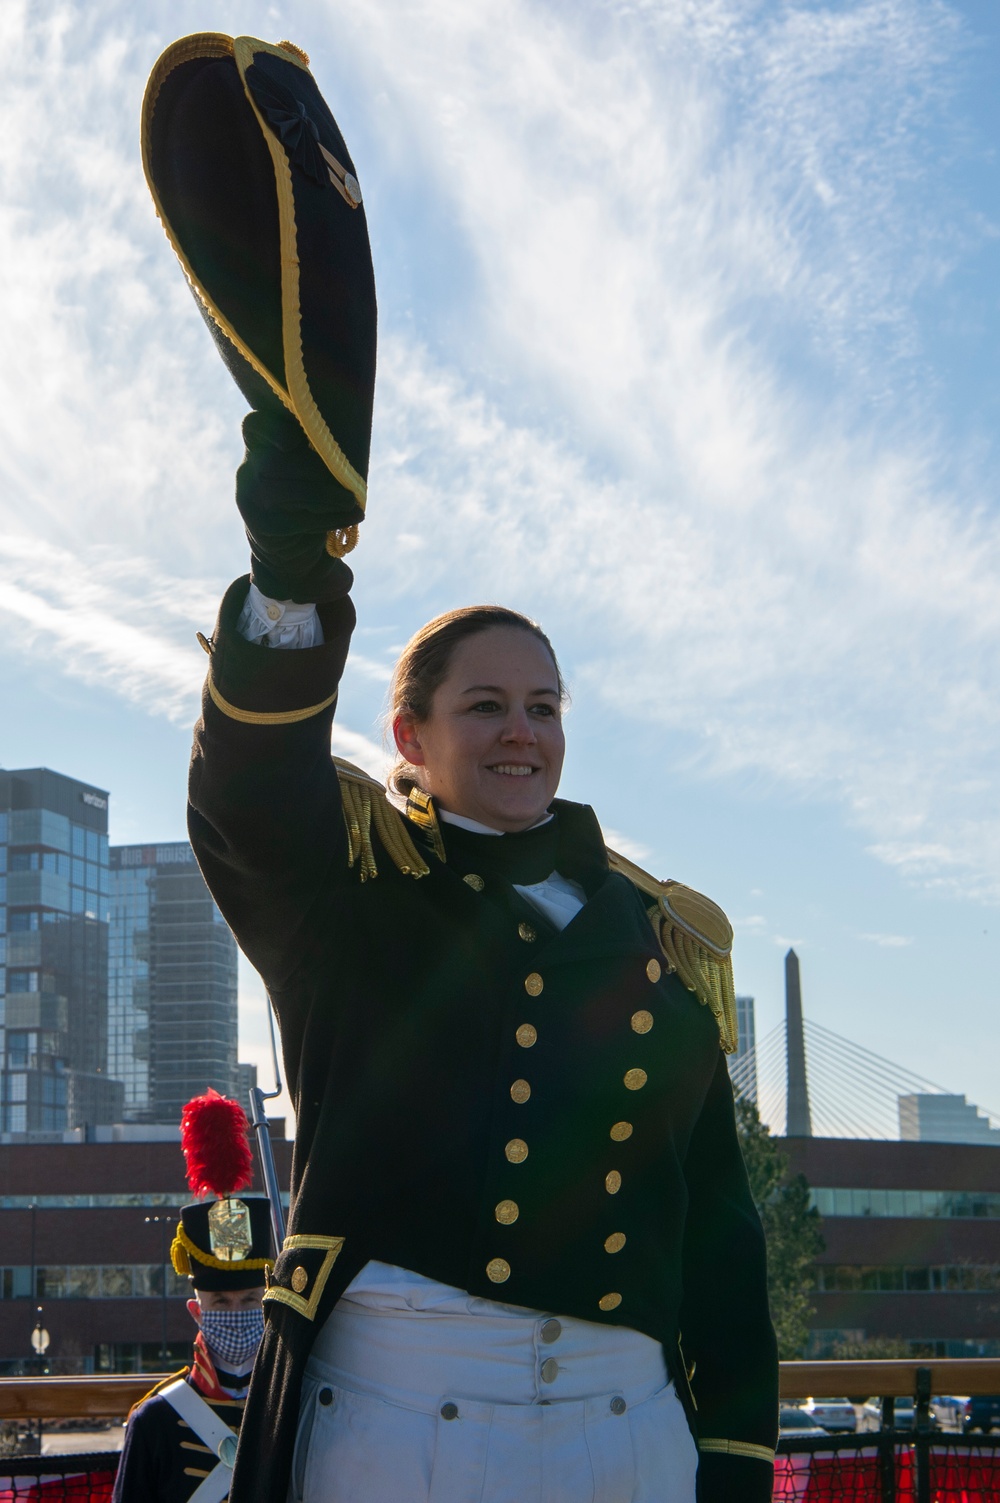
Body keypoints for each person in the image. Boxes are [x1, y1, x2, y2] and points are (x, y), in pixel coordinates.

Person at [142, 31, 779, 1503]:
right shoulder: (350, 895)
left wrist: (736, 1454)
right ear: (409, 738)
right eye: (483, 702)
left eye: (545, 702)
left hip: (632, 1435)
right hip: (395, 1428)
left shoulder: (664, 933)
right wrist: (291, 568)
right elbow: (246, 802)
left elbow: (722, 1232)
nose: (523, 729)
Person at [112, 1092, 272, 1503]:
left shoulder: (293, 1407)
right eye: (220, 1302)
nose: (237, 1311)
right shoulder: (155, 1420)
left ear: (268, 1307)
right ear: (197, 1311)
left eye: (250, 1299)